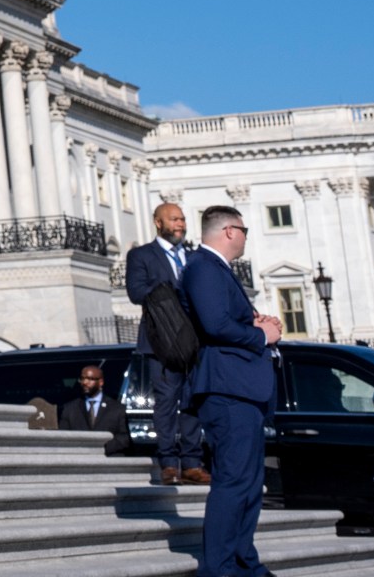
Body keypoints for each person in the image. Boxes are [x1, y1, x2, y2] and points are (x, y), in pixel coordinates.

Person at [183, 205, 284, 577]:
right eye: (243, 229)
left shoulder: (215, 270)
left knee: (249, 485)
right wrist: (261, 334)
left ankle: (244, 562)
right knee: (233, 483)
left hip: (242, 389)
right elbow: (214, 324)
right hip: (228, 390)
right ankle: (219, 569)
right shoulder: (203, 267)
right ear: (229, 231)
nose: (245, 237)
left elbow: (226, 321)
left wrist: (255, 323)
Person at [127, 202, 209, 485]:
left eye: (183, 219)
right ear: (158, 223)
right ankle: (168, 463)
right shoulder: (141, 256)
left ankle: (192, 463)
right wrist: (174, 289)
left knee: (191, 401)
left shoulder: (194, 256)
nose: (180, 224)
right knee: (166, 403)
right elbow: (136, 292)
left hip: (194, 342)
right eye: (174, 219)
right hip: (161, 341)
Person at [58, 363, 132, 456]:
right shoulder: (70, 408)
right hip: (79, 459)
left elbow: (124, 437)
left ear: (101, 382)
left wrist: (100, 448)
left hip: (109, 460)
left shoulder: (117, 408)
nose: (85, 382)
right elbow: (63, 436)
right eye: (82, 379)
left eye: (90, 379)